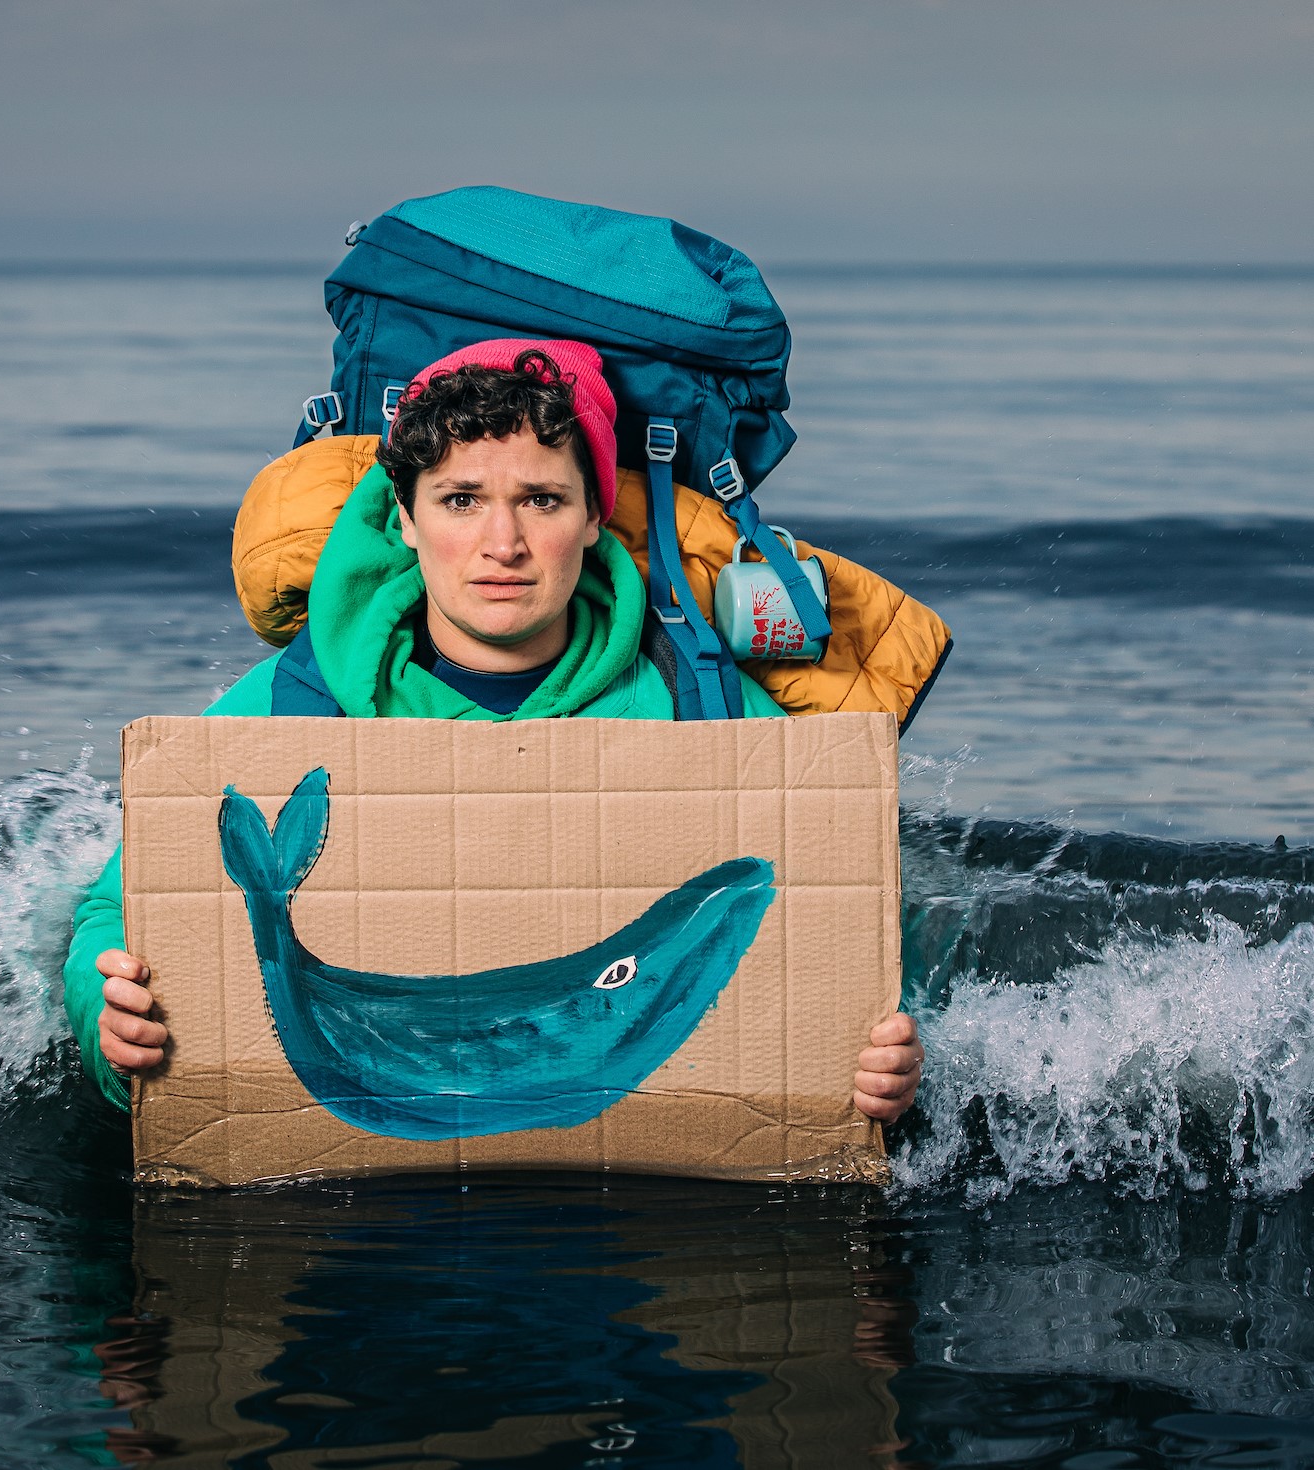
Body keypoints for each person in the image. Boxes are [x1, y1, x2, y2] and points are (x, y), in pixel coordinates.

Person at [65, 339, 924, 1121]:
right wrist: (110, 1021)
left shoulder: (704, 705)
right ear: (405, 518)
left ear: (593, 517)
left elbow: (845, 915)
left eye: (542, 499)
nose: (502, 541)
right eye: (461, 499)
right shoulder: (290, 700)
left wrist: (883, 1064)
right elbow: (120, 909)